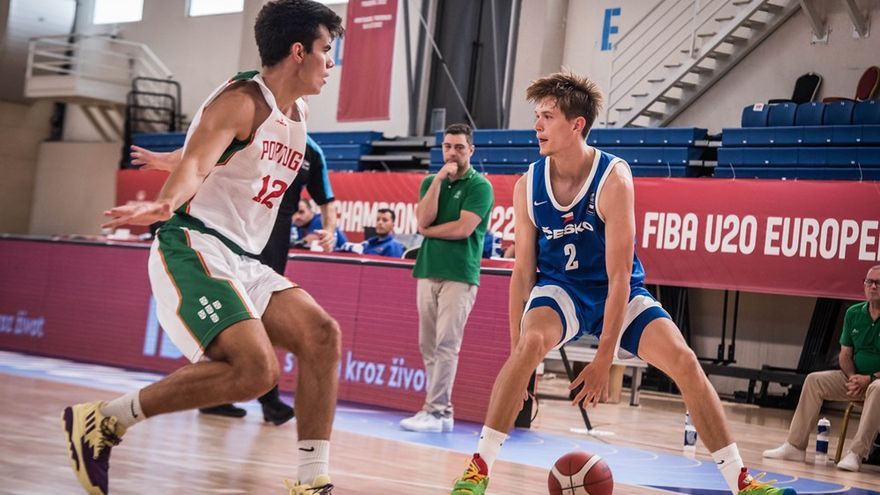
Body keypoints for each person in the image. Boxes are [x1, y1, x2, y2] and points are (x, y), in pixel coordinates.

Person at [449, 71, 795, 495]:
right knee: (528, 344)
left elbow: (617, 279)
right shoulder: (527, 185)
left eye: (547, 116)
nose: (537, 126)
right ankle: (477, 472)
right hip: (563, 290)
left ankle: (743, 483)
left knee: (685, 362)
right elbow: (523, 273)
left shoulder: (614, 179)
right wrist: (517, 363)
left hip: (619, 291)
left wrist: (604, 359)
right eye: (536, 116)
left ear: (577, 125)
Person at [62, 2, 344, 494]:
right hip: (193, 244)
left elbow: (221, 152)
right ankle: (105, 420)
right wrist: (165, 199)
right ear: (299, 52)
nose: (331, 62)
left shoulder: (296, 113)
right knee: (256, 369)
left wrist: (173, 158)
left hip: (242, 257)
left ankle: (311, 481)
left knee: (322, 334)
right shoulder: (240, 100)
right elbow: (197, 163)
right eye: (326, 50)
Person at [129, 134, 338, 425]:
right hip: (231, 239)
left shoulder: (311, 150)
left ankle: (258, 400)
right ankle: (259, 399)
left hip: (271, 243)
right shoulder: (255, 121)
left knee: (284, 325)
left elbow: (326, 197)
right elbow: (204, 151)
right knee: (240, 327)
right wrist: (169, 163)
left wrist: (330, 228)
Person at [400, 123, 494, 433]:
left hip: (460, 273)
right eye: (447, 147)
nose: (452, 153)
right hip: (428, 269)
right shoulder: (431, 181)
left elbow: (462, 229)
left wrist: (427, 233)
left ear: (471, 150)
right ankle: (441, 411)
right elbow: (423, 217)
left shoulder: (480, 186)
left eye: (459, 147)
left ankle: (436, 410)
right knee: (427, 344)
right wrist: (439, 178)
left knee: (446, 344)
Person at [764, 265, 880, 472]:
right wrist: (853, 377)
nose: (873, 286)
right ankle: (795, 446)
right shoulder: (853, 313)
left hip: (876, 384)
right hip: (855, 380)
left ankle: (856, 454)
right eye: (869, 282)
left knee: (877, 388)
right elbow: (845, 354)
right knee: (814, 380)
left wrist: (869, 379)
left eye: (878, 283)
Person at [338, 208, 406, 257]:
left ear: (392, 225)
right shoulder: (367, 243)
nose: (380, 222)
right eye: (378, 219)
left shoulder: (394, 246)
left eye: (385, 220)